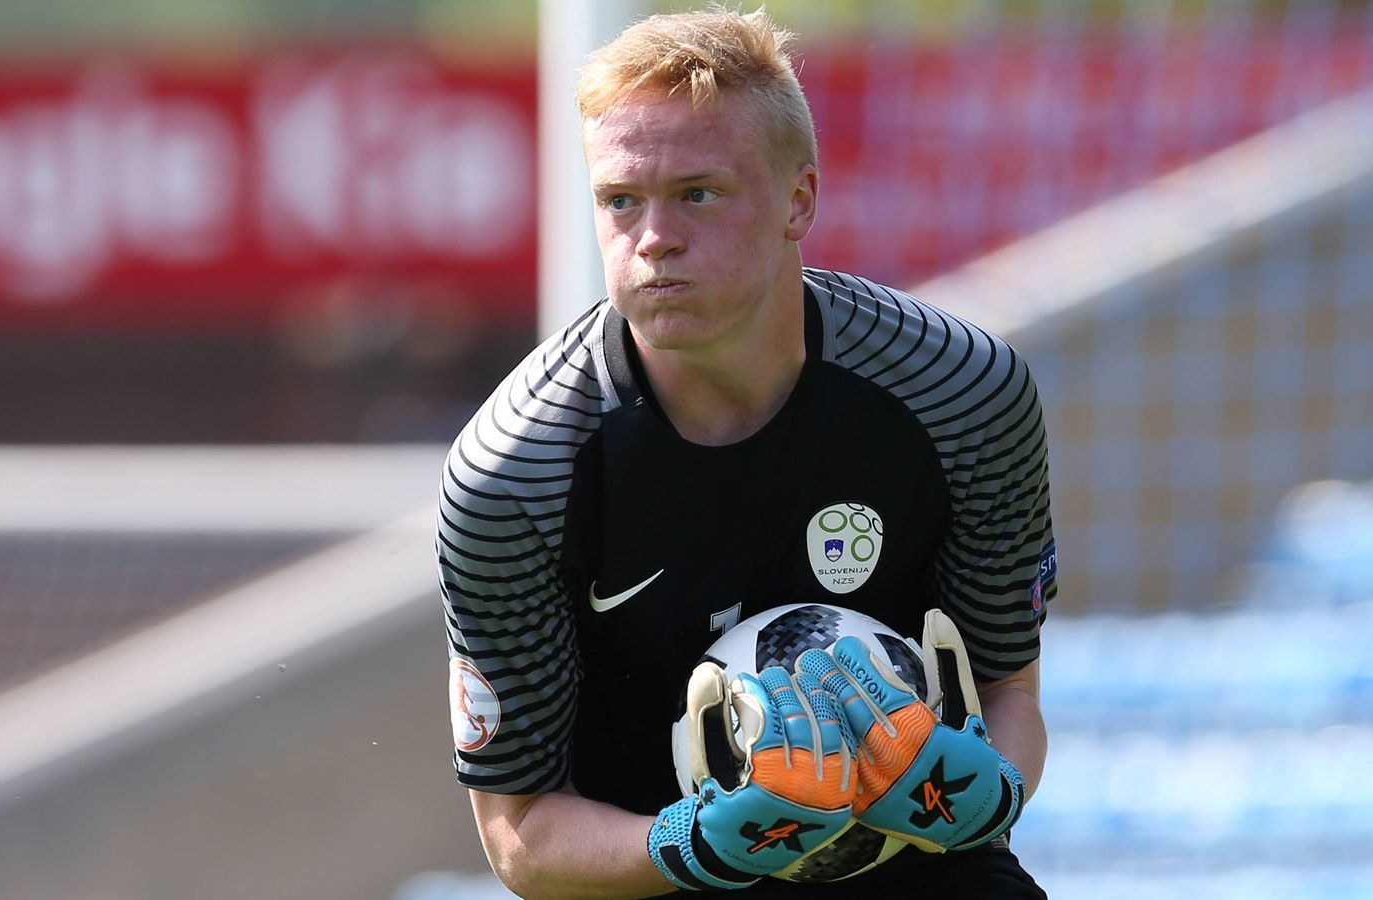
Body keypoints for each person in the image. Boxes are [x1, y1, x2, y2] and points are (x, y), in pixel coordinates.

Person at [437, 8, 1055, 897]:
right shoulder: (513, 476)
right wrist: (697, 846)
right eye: (620, 201)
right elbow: (521, 831)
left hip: (915, 865)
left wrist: (986, 792)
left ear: (799, 199)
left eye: (698, 193)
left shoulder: (962, 393)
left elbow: (1010, 694)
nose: (653, 238)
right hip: (645, 874)